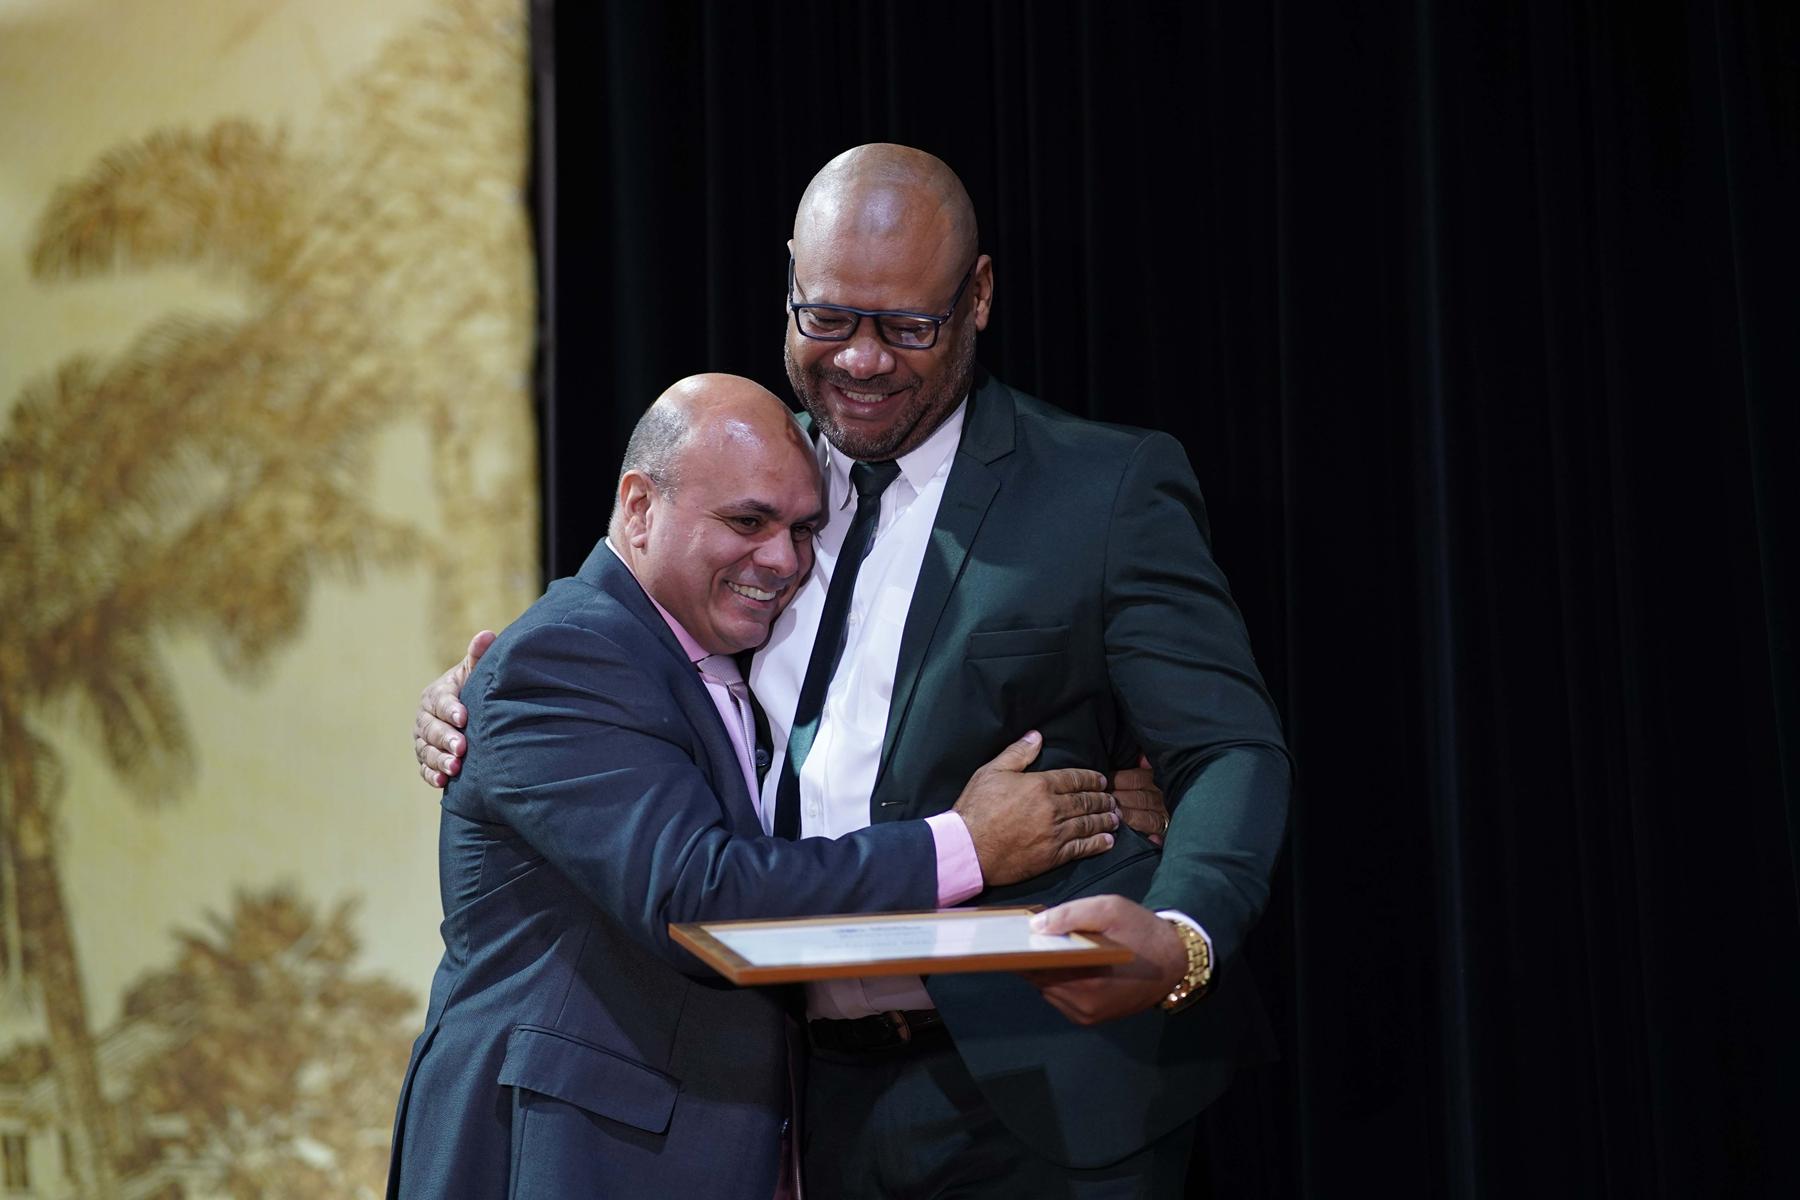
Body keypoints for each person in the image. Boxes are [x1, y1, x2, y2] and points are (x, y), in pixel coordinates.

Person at [416, 146, 1291, 1197]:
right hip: (803, 1106)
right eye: (827, 318)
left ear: (977, 297)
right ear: (789, 280)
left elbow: (1228, 748)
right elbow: (616, 648)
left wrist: (1183, 937)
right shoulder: (750, 480)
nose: (863, 361)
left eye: (907, 327)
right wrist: (469, 693)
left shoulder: (1101, 489)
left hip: (1052, 1089)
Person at [386, 373, 1125, 1199]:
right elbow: (701, 899)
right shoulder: (566, 656)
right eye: (747, 522)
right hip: (568, 1155)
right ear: (639, 508)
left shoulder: (719, 659)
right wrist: (967, 845)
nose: (783, 560)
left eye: (803, 529)